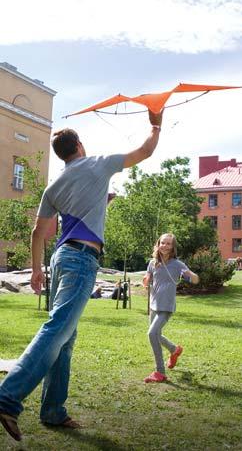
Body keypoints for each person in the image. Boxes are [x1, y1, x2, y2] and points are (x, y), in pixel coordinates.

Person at [0, 109, 163, 441]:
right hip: (81, 259)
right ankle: (7, 397)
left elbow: (37, 233)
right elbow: (145, 151)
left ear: (62, 154)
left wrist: (36, 271)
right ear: (81, 146)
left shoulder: (54, 185)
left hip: (60, 259)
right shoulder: (97, 164)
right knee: (58, 328)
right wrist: (156, 122)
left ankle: (52, 411)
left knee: (66, 337)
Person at [143, 233, 199, 384]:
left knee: (152, 334)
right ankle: (174, 350)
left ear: (173, 247)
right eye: (162, 243)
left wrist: (193, 276)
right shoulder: (152, 263)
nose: (165, 246)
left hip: (166, 306)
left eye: (168, 244)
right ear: (158, 244)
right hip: (153, 304)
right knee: (156, 335)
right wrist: (146, 280)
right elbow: (147, 278)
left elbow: (192, 277)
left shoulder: (177, 264)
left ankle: (160, 372)